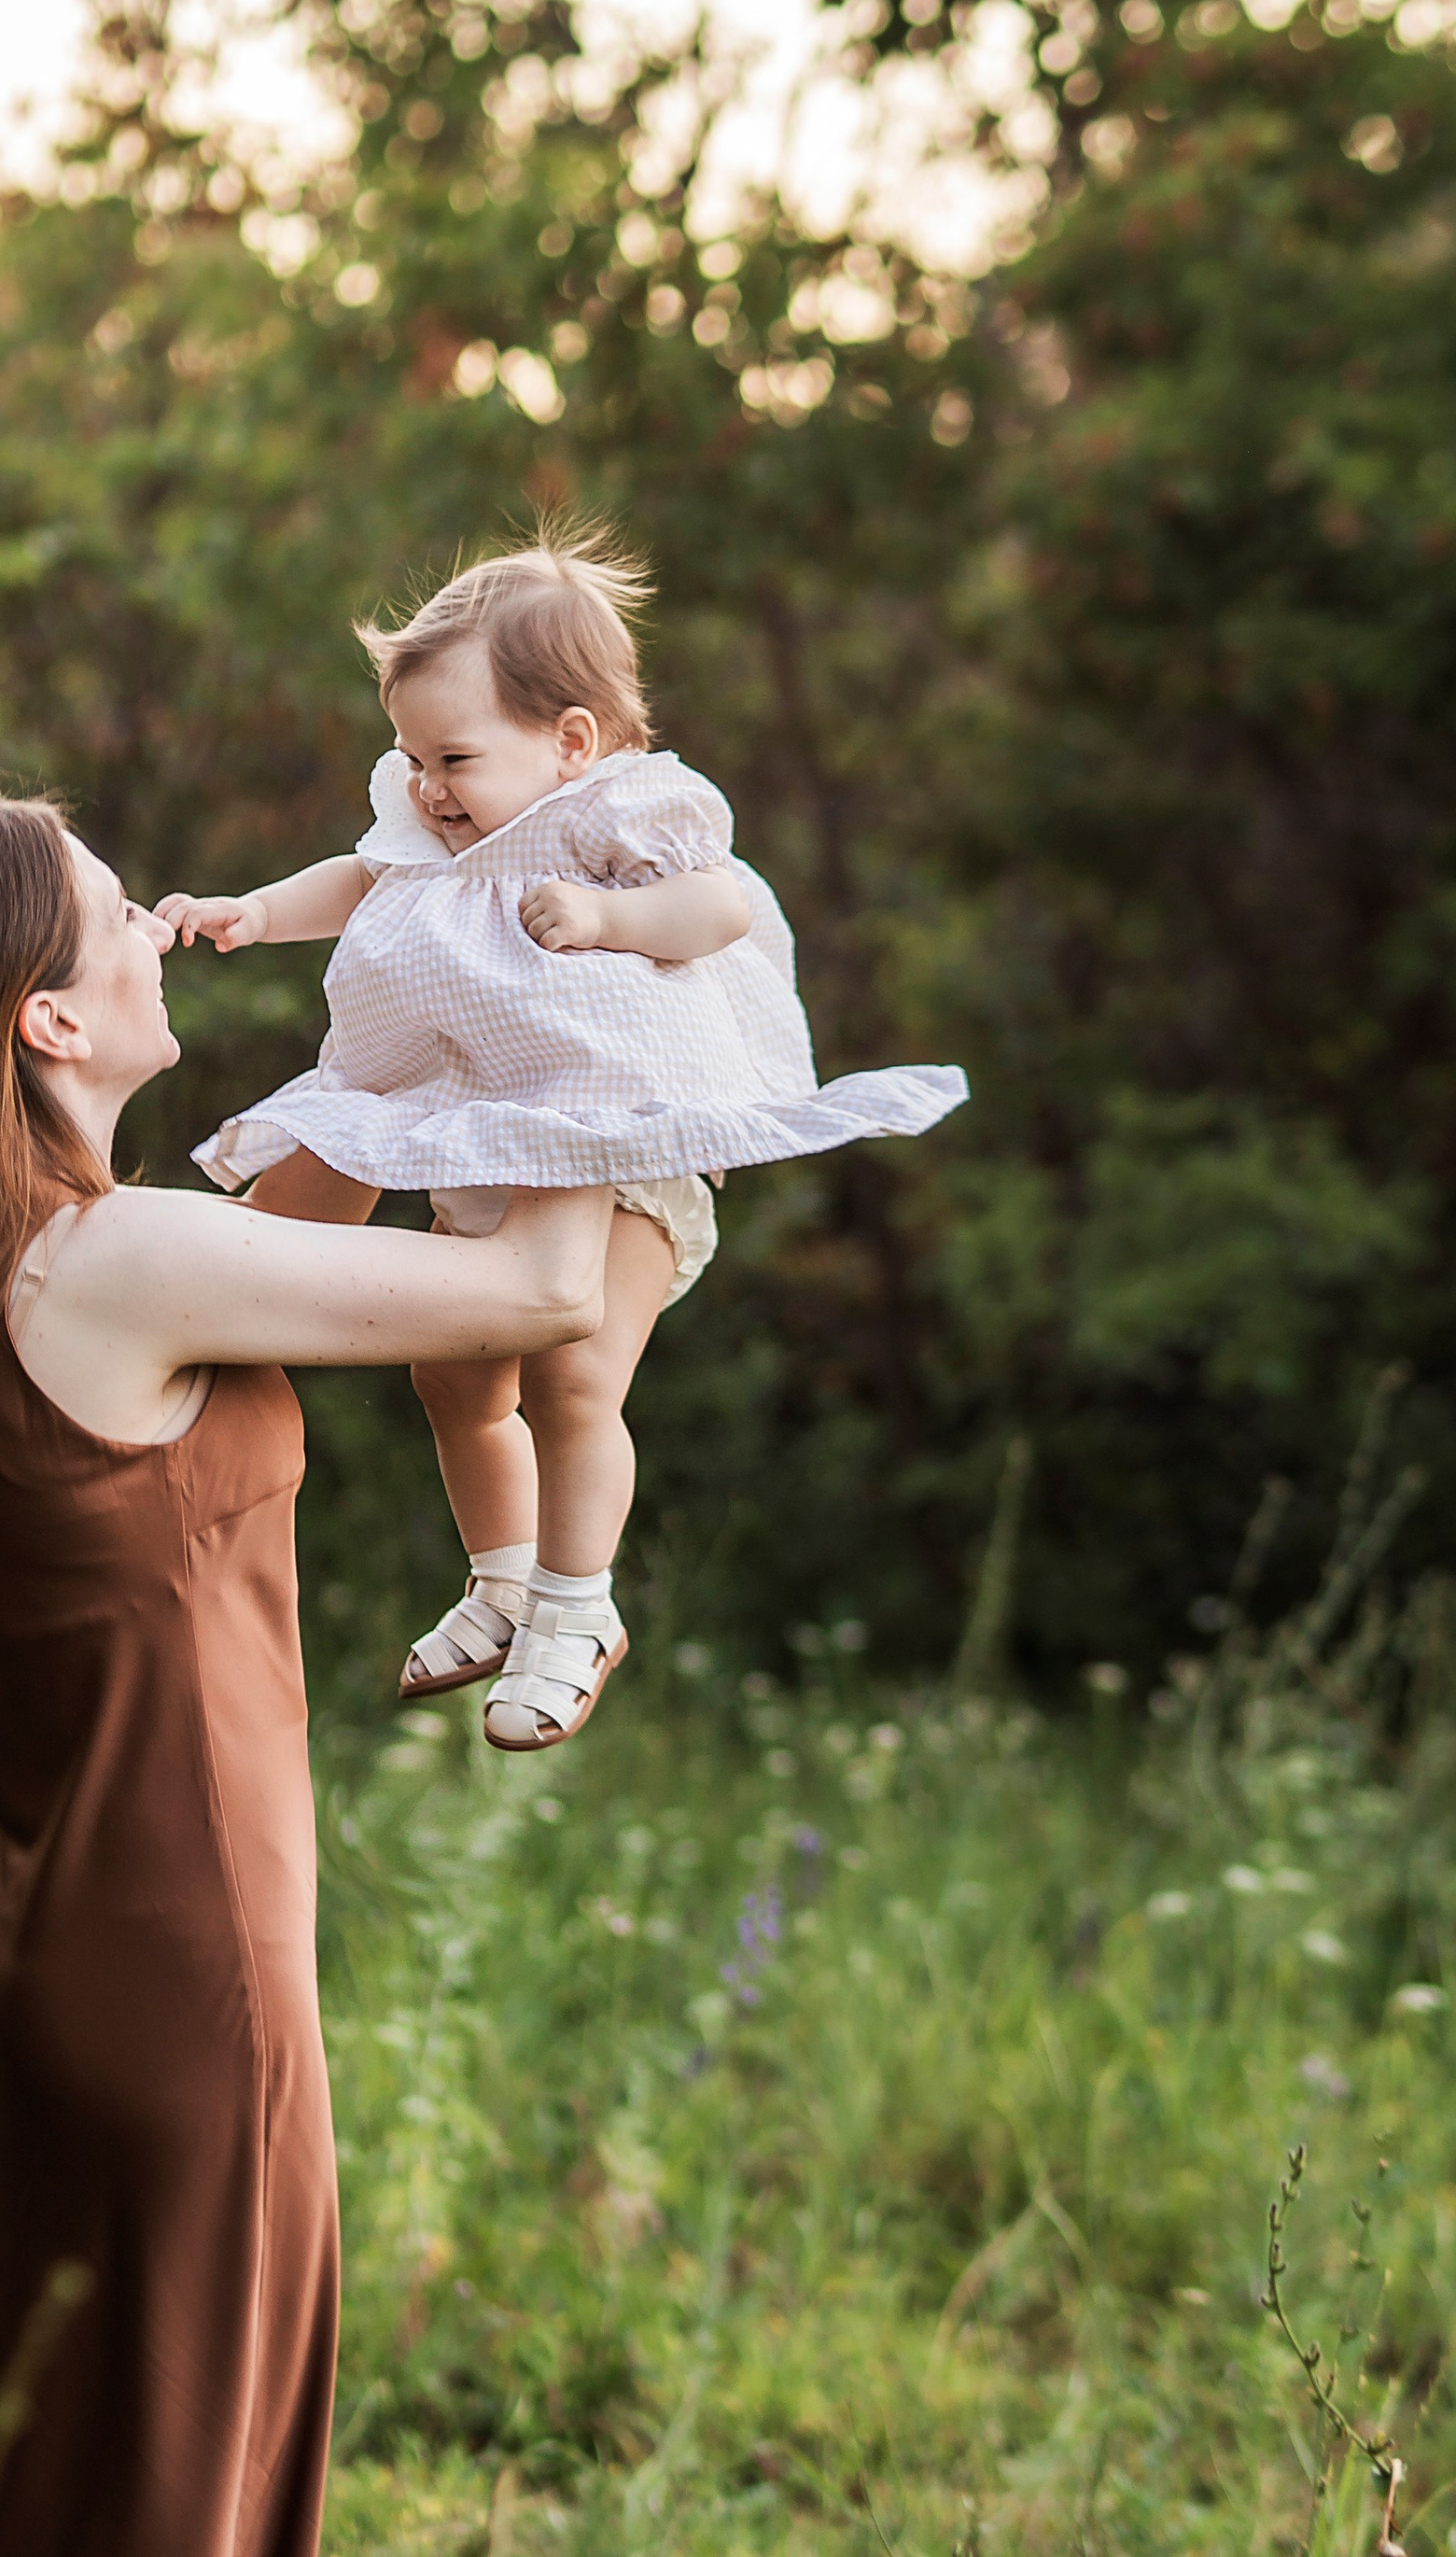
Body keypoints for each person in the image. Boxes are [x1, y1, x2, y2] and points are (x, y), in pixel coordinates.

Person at [0, 787, 609, 2557]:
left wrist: (436, 959)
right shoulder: (122, 1261)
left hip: (50, 1960)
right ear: (44, 1021)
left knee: (65, 2515)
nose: (158, 930)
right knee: (162, 2548)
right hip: (186, 1979)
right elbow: (550, 1296)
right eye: (118, 913)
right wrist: (586, 1004)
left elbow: (330, 1197)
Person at [160, 530, 964, 1755]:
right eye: (412, 757)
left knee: (573, 1377)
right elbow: (359, 881)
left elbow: (722, 905)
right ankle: (503, 1579)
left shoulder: (615, 812)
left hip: (627, 1163)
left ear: (572, 740)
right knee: (454, 1380)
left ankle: (578, 1609)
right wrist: (252, 913)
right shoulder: (433, 827)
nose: (428, 787)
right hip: (496, 1157)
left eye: (454, 758)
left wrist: (609, 915)